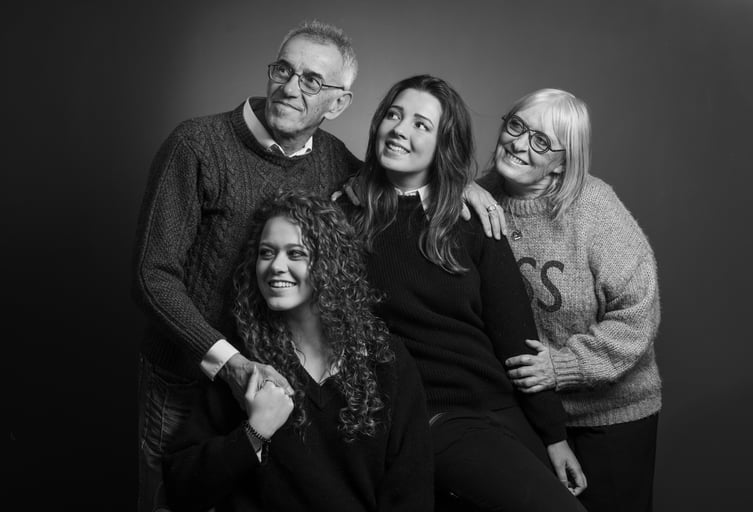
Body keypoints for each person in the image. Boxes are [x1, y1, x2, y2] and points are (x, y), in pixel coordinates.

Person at [132, 20, 503, 512]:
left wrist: (457, 184)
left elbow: (399, 176)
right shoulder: (197, 144)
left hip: (281, 375)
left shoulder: (335, 163)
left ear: (338, 103)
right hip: (188, 376)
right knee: (174, 499)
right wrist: (232, 363)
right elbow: (153, 275)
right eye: (283, 70)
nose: (290, 88)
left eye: (311, 80)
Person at [341, 75, 587, 512]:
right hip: (431, 414)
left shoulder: (472, 217)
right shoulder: (343, 218)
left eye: (421, 124)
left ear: (443, 143)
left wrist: (554, 435)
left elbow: (516, 336)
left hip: (499, 406)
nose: (399, 129)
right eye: (394, 115)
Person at [162, 192, 432, 511]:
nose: (276, 266)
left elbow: (411, 491)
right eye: (266, 253)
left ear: (330, 263)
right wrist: (255, 432)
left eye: (295, 253)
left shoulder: (386, 360)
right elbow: (181, 486)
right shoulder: (245, 363)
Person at [478, 88, 662, 512]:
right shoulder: (478, 198)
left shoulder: (594, 208)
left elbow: (637, 316)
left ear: (563, 161)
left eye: (541, 141)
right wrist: (463, 191)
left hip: (609, 415)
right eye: (516, 126)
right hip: (528, 415)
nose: (519, 144)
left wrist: (561, 366)